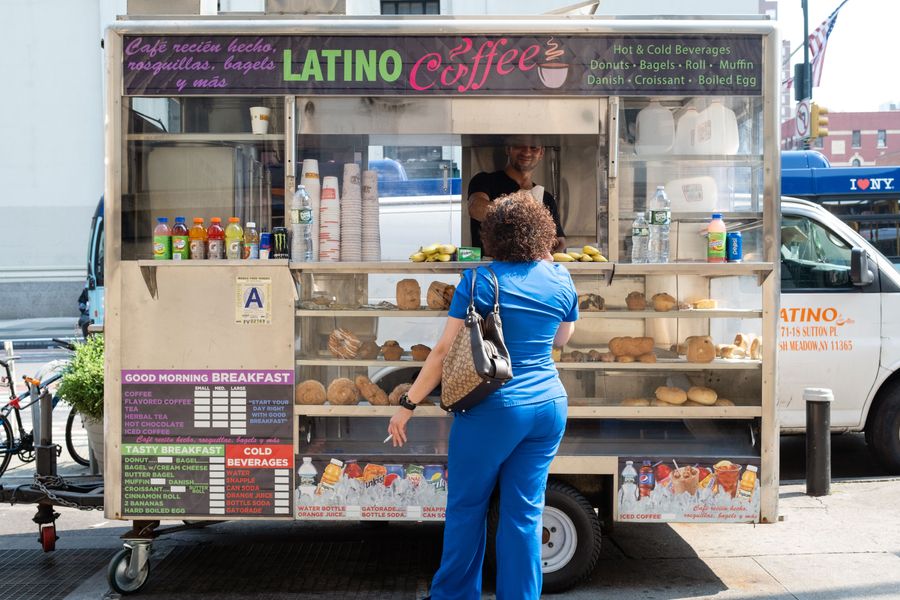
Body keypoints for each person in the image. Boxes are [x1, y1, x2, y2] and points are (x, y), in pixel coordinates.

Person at [388, 190, 578, 600]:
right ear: (540, 233)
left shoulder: (478, 280)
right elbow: (562, 336)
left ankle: (455, 595)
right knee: (524, 515)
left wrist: (407, 404)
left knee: (467, 510)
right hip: (548, 407)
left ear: (491, 236)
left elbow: (441, 353)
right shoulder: (561, 277)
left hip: (494, 409)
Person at [467, 138, 567, 253]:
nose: (527, 152)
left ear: (541, 153)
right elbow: (475, 208)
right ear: (508, 149)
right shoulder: (485, 180)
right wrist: (517, 209)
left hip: (530, 269)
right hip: (491, 268)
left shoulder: (546, 198)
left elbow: (559, 242)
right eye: (519, 146)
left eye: (533, 148)